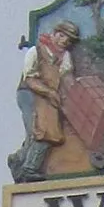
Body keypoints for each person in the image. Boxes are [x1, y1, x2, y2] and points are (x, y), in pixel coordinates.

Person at [11, 20, 80, 181]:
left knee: (50, 131)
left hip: (50, 96)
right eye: (62, 36)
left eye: (68, 40)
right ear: (55, 33)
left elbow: (67, 77)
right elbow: (30, 79)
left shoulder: (65, 56)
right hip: (29, 94)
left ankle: (20, 160)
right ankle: (28, 168)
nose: (64, 41)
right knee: (37, 130)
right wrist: (48, 92)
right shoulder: (36, 51)